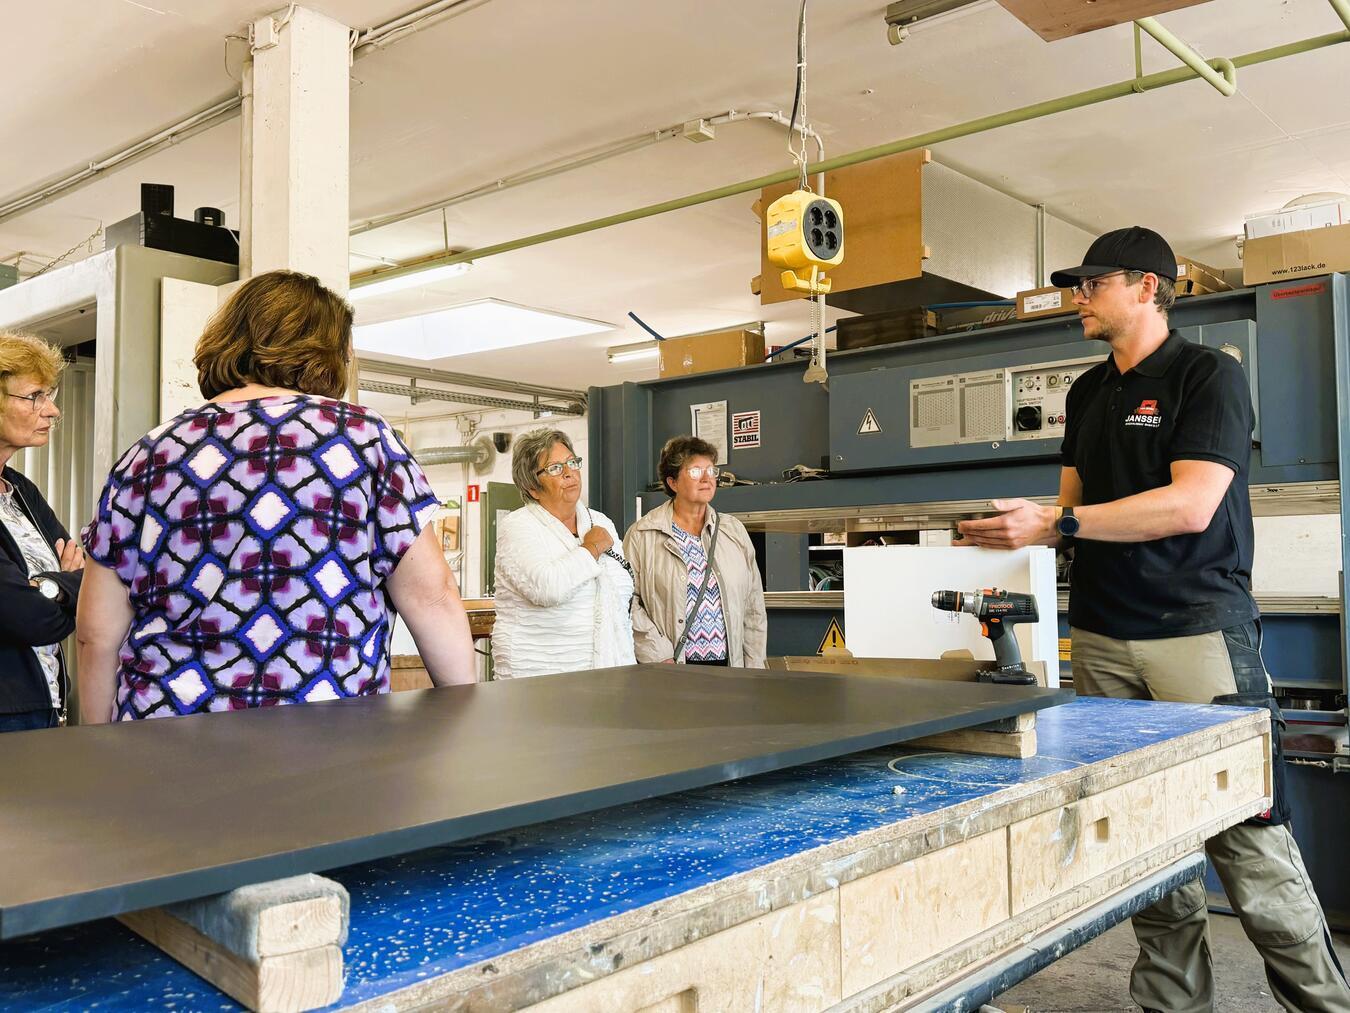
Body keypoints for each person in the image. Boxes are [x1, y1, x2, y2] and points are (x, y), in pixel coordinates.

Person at [957, 226, 1349, 1013]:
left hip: (1199, 633)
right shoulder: (1085, 392)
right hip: (1102, 636)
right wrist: (1023, 538)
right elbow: (1072, 508)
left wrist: (1054, 526)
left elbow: (1190, 503)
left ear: (1145, 286)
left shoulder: (1208, 376)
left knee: (1246, 835)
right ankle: (1173, 1005)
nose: (1078, 298)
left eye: (1091, 283)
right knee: (1144, 838)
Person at [76, 270, 475, 722]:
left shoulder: (148, 454)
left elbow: (96, 632)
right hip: (327, 734)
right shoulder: (361, 439)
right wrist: (462, 715)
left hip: (167, 734)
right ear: (330, 352)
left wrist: (98, 743)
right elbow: (431, 596)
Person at [491, 428, 635, 678]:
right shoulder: (518, 526)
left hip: (605, 672)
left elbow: (622, 592)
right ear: (531, 486)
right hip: (538, 679)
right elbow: (546, 587)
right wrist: (591, 548)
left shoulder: (599, 521)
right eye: (555, 468)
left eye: (572, 462)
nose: (569, 472)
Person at [0, 333, 84, 732]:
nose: (52, 410)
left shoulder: (20, 490)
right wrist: (65, 584)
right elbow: (31, 619)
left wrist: (47, 585)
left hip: (46, 704)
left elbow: (89, 577)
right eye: (35, 396)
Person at [624, 436, 766, 668]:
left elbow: (753, 605)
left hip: (731, 667)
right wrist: (658, 654)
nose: (706, 478)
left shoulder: (733, 531)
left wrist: (754, 665)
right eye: (695, 471)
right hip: (673, 666)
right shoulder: (643, 534)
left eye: (711, 470)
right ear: (673, 482)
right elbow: (627, 601)